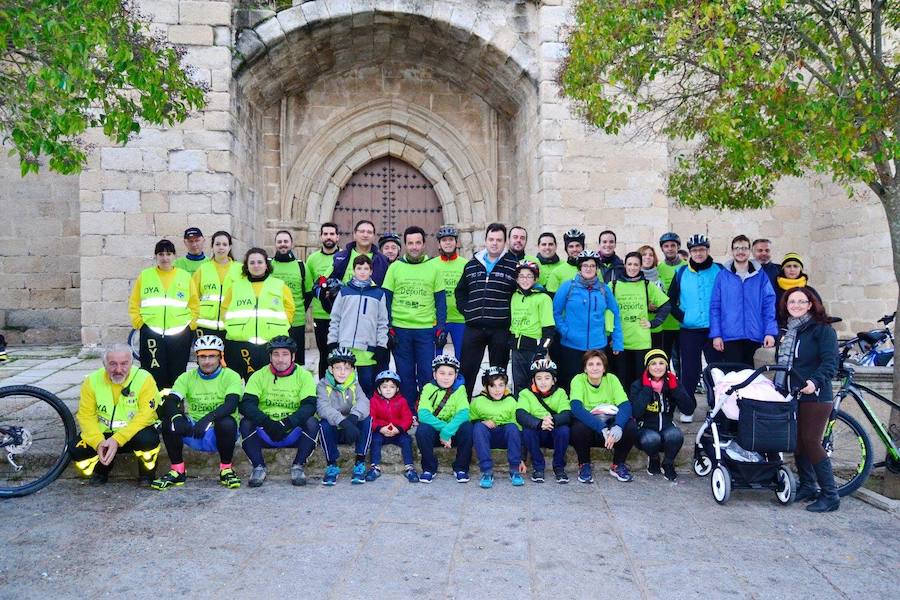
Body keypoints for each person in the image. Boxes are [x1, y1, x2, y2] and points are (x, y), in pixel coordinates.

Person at [776, 287, 839, 512]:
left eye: (801, 301)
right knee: (798, 442)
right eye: (791, 302)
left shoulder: (822, 330)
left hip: (816, 396)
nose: (796, 305)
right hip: (795, 395)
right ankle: (808, 486)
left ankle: (830, 495)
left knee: (811, 442)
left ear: (811, 304)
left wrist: (814, 382)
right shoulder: (792, 331)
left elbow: (830, 363)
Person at [151, 335, 243, 490]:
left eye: (212, 356)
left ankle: (226, 469)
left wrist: (208, 418)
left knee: (226, 422)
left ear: (220, 357)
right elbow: (171, 401)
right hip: (194, 429)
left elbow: (231, 404)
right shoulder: (187, 377)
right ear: (197, 358)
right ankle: (177, 471)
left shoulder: (230, 376)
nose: (207, 361)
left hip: (219, 432)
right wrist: (177, 417)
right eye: (202, 356)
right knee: (169, 422)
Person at [71, 344, 161, 485]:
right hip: (104, 435)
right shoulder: (92, 381)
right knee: (76, 450)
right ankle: (101, 470)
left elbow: (146, 414)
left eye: (124, 364)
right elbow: (86, 416)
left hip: (133, 434)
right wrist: (98, 442)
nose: (118, 370)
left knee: (148, 440)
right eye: (113, 364)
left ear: (132, 363)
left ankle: (147, 474)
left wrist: (117, 439)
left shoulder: (144, 379)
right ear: (104, 364)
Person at [238, 336, 318, 488]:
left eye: (285, 354)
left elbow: (309, 406)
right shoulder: (259, 375)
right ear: (270, 356)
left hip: (292, 430)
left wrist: (286, 423)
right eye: (276, 354)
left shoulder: (304, 375)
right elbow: (247, 405)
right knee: (246, 422)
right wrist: (267, 422)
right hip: (265, 430)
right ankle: (258, 467)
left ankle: (298, 466)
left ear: (293, 356)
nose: (280, 359)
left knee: (312, 422)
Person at [383, 225, 447, 406]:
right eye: (410, 243)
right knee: (405, 373)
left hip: (425, 330)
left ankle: (425, 408)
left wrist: (440, 327)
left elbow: (440, 301)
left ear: (424, 244)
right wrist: (388, 327)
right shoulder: (395, 267)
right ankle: (409, 409)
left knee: (427, 372)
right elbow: (386, 300)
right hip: (400, 330)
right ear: (405, 245)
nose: (414, 247)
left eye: (418, 243)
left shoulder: (434, 268)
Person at [455, 222, 518, 397]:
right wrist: (467, 311)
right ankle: (463, 406)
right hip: (474, 328)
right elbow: (460, 291)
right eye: (491, 239)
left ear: (505, 242)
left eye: (499, 240)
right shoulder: (472, 265)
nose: (494, 243)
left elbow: (518, 295)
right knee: (467, 369)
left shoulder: (513, 265)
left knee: (498, 372)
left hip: (500, 328)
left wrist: (509, 316)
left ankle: (497, 409)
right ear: (485, 240)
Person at [128, 239, 198, 389]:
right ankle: (155, 407)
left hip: (179, 333)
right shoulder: (145, 276)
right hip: (152, 332)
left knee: (177, 373)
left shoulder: (184, 276)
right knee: (153, 372)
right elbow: (134, 302)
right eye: (161, 254)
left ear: (174, 256)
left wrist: (190, 325)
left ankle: (175, 407)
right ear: (156, 256)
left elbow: (194, 303)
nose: (165, 258)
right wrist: (139, 323)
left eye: (168, 254)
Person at [666, 234, 723, 421]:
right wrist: (683, 316)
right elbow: (670, 300)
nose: (698, 253)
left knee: (716, 369)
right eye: (694, 250)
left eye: (702, 249)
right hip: (689, 330)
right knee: (690, 370)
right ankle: (688, 407)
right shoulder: (681, 272)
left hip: (714, 330)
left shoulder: (720, 271)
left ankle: (717, 406)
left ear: (708, 250)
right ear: (689, 252)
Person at [552, 250, 623, 391]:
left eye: (592, 266)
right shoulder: (568, 286)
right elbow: (556, 313)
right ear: (579, 268)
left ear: (597, 268)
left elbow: (615, 314)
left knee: (595, 381)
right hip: (571, 345)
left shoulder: (604, 289)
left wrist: (617, 341)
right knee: (571, 381)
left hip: (597, 345)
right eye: (585, 265)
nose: (588, 269)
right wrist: (565, 331)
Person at [222, 247, 295, 381]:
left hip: (270, 343)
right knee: (235, 382)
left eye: (260, 262)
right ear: (246, 266)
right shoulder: (236, 286)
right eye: (252, 262)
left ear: (266, 265)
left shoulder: (279, 285)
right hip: (239, 342)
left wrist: (283, 326)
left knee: (268, 382)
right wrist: (231, 327)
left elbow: (290, 309)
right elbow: (225, 309)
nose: (256, 266)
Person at [569, 350, 637, 484]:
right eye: (590, 364)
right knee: (577, 428)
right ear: (585, 368)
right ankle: (584, 465)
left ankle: (617, 465)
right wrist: (601, 428)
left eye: (598, 364)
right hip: (592, 427)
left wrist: (618, 426)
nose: (595, 368)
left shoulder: (611, 379)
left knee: (630, 427)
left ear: (604, 367)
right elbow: (576, 408)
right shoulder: (578, 380)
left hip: (610, 430)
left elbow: (625, 405)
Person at [709, 234, 777, 367]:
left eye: (744, 248)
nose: (740, 251)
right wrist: (716, 335)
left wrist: (769, 332)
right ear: (732, 251)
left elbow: (768, 305)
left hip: (754, 334)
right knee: (733, 375)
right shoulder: (723, 276)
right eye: (737, 248)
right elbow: (715, 307)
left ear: (750, 251)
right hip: (730, 335)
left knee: (750, 376)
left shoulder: (760, 276)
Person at [327, 254, 389, 398]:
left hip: (367, 350)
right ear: (354, 270)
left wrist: (381, 344)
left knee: (366, 385)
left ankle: (366, 416)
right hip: (345, 348)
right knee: (345, 385)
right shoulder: (344, 292)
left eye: (366, 268)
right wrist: (332, 341)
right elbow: (335, 318)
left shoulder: (378, 294)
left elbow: (382, 322)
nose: (362, 271)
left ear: (371, 271)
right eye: (359, 268)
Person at [629, 349, 695, 481]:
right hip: (646, 428)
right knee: (651, 439)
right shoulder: (638, 385)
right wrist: (647, 389)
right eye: (653, 363)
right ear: (647, 367)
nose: (658, 367)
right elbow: (635, 412)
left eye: (661, 363)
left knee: (675, 435)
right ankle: (653, 459)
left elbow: (688, 409)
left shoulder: (672, 383)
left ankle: (668, 463)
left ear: (666, 366)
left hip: (666, 426)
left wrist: (675, 389)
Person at [611, 252, 671, 389]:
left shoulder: (646, 285)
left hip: (641, 342)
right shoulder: (613, 285)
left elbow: (666, 305)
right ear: (625, 265)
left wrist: (654, 322)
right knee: (621, 380)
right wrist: (610, 335)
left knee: (640, 380)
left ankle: (639, 409)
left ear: (640, 266)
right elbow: (605, 311)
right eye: (630, 264)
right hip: (620, 342)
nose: (632, 268)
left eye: (636, 264)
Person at [316, 347, 372, 485]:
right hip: (336, 428)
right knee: (323, 424)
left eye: (346, 368)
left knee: (367, 420)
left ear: (352, 370)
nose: (342, 372)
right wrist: (344, 422)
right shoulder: (323, 385)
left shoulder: (354, 384)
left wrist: (353, 418)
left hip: (352, 429)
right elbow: (323, 408)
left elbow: (364, 402)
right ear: (330, 369)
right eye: (338, 368)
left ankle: (360, 461)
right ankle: (332, 465)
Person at [415, 354, 474, 483]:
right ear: (435, 374)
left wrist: (448, 432)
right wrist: (444, 430)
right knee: (422, 430)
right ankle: (429, 468)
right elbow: (423, 415)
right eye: (442, 373)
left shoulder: (460, 389)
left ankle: (461, 468)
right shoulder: (428, 388)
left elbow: (463, 413)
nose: (446, 378)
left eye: (450, 374)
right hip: (437, 433)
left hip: (453, 433)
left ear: (455, 375)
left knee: (468, 427)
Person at [516, 358, 571, 483]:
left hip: (553, 432)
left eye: (547, 378)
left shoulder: (560, 393)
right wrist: (540, 423)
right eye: (539, 378)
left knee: (564, 430)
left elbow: (567, 414)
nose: (543, 382)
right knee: (527, 431)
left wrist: (551, 421)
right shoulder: (525, 393)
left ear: (554, 380)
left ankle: (559, 467)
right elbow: (521, 414)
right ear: (533, 380)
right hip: (537, 432)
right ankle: (538, 466)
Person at [470, 367, 524, 488]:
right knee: (478, 427)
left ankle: (514, 470)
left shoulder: (512, 401)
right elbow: (469, 420)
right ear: (486, 387)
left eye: (501, 385)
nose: (497, 390)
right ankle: (487, 471)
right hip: (486, 438)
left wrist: (522, 458)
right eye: (492, 386)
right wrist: (482, 421)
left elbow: (520, 429)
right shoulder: (478, 401)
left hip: (506, 438)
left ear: (506, 385)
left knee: (512, 427)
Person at [508, 260, 555, 393]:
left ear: (535, 278)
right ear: (516, 279)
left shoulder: (543, 298)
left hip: (534, 348)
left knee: (534, 384)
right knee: (518, 383)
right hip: (517, 348)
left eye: (529, 276)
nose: (525, 280)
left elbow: (549, 330)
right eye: (521, 276)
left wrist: (542, 350)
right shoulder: (514, 296)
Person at [365, 370, 419, 483]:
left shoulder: (402, 401)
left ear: (397, 389)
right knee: (375, 440)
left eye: (392, 387)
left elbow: (407, 418)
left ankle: (409, 467)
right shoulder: (374, 401)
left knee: (406, 440)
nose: (388, 389)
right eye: (384, 387)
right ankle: (374, 467)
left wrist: (399, 429)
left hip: (398, 431)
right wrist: (380, 428)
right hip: (381, 431)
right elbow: (371, 418)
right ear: (379, 389)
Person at [270, 230, 310, 366]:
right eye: (279, 241)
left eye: (286, 241)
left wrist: (298, 309)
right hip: (272, 321)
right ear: (275, 244)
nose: (283, 245)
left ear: (292, 244)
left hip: (296, 321)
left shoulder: (301, 266)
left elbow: (308, 293)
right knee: (274, 360)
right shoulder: (268, 265)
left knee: (296, 362)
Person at [193, 230, 242, 340]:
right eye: (217, 244)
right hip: (205, 326)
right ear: (212, 247)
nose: (221, 247)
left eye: (224, 244)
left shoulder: (240, 270)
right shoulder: (203, 269)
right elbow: (193, 297)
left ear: (229, 247)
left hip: (232, 325)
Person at [306, 222, 340, 378]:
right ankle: (323, 391)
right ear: (321, 237)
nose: (329, 237)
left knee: (340, 356)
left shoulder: (344, 257)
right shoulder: (312, 260)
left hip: (341, 317)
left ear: (337, 237)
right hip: (321, 316)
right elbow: (309, 287)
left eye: (332, 234)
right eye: (325, 234)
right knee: (324, 355)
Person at [433, 225, 467, 360]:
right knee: (436, 356)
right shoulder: (432, 264)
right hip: (437, 319)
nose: (448, 243)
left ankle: (461, 381)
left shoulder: (465, 264)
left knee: (462, 356)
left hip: (460, 318)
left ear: (456, 242)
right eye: (444, 240)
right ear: (439, 243)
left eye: (451, 239)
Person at [655, 232, 687, 366]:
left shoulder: (686, 267)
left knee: (682, 360)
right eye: (666, 246)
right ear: (662, 248)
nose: (669, 248)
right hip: (665, 323)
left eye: (673, 245)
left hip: (682, 321)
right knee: (664, 358)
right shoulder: (658, 268)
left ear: (678, 247)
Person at [329, 219, 390, 285]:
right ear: (354, 234)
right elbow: (324, 280)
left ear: (374, 237)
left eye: (369, 232)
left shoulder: (382, 260)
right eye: (362, 231)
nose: (365, 235)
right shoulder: (340, 257)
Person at [546, 228, 584, 293]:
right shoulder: (557, 272)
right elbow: (552, 299)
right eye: (571, 246)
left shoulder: (592, 269)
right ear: (566, 249)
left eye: (578, 246)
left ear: (582, 247)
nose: (575, 249)